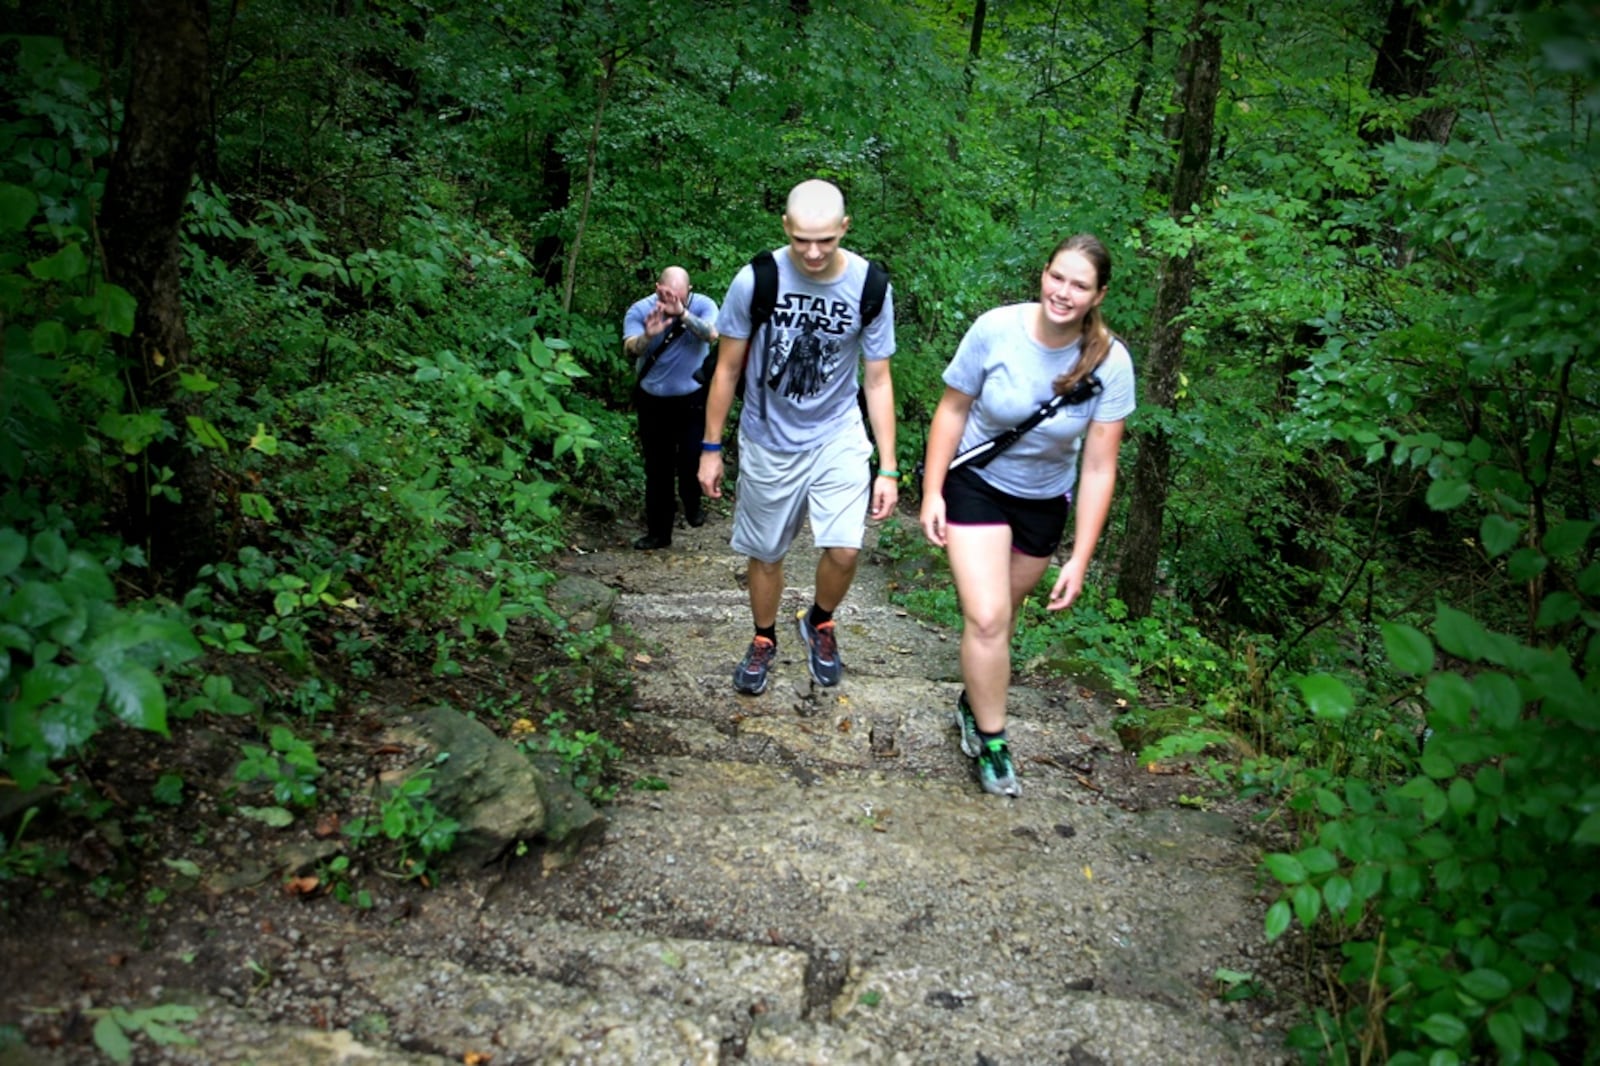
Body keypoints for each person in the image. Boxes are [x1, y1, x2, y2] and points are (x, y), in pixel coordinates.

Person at [918, 234, 1135, 797]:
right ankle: (993, 741)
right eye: (1057, 277)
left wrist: (1080, 557)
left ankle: (973, 700)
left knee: (1004, 617)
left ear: (1098, 295)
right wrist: (933, 491)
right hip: (977, 483)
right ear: (1043, 274)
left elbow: (1098, 468)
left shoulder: (1111, 363)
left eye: (1079, 285)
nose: (1063, 292)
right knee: (987, 617)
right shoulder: (996, 329)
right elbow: (952, 409)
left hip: (1044, 501)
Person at [698, 179, 899, 695]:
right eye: (802, 239)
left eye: (826, 240)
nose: (813, 253)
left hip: (838, 432)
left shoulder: (870, 286)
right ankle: (764, 638)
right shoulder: (756, 280)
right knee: (766, 552)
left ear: (844, 229)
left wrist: (889, 467)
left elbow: (877, 379)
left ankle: (820, 621)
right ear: (785, 226)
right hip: (769, 436)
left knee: (846, 547)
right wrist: (711, 447)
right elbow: (726, 370)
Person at [623, 266, 720, 550]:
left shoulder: (702, 305)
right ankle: (658, 533)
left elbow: (712, 334)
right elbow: (630, 348)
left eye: (679, 295)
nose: (673, 300)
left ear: (688, 292)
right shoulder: (640, 311)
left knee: (691, 458)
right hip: (652, 399)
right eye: (667, 295)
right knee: (657, 469)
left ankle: (692, 503)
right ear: (657, 288)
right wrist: (647, 337)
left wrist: (683, 315)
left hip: (692, 397)